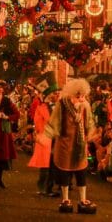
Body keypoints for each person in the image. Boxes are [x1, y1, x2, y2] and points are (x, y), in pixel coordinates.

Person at [44, 78, 98, 214]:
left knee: (81, 173)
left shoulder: (85, 107)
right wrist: (45, 135)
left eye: (83, 96)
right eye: (78, 96)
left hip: (80, 145)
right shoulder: (62, 105)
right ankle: (66, 199)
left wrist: (91, 134)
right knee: (64, 173)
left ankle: (83, 199)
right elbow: (54, 122)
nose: (81, 99)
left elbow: (90, 123)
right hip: (64, 145)